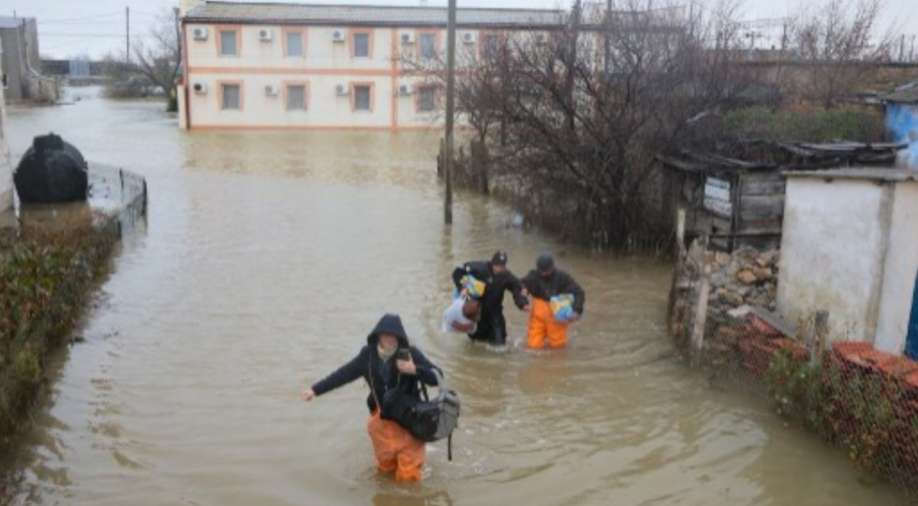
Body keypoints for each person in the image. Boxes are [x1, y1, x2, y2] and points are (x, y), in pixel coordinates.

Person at [301, 314, 441, 482]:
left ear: (400, 337)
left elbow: (437, 377)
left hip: (410, 420)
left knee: (408, 479)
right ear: (378, 336)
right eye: (385, 335)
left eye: (394, 335)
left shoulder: (410, 354)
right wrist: (315, 390)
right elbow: (344, 374)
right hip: (381, 420)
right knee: (385, 470)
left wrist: (415, 370)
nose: (390, 339)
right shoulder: (367, 355)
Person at [451, 251, 529, 346]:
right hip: (478, 310)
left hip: (495, 311)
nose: (500, 268)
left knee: (500, 344)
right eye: (498, 265)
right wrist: (462, 287)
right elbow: (458, 272)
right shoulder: (477, 267)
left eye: (502, 266)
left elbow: (517, 287)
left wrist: (523, 303)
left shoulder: (506, 275)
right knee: (475, 342)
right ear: (492, 263)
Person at [521, 253, 585, 349]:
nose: (544, 273)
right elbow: (520, 285)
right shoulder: (532, 276)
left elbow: (579, 292)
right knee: (532, 346)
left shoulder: (563, 277)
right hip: (537, 316)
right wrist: (523, 292)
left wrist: (576, 311)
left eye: (546, 271)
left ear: (552, 268)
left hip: (557, 316)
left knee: (558, 347)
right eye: (541, 271)